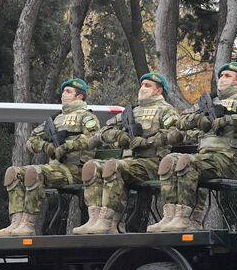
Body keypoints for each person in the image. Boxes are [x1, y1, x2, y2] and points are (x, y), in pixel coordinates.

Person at [150, 61, 237, 232]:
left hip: (230, 160)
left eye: (227, 76)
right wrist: (200, 119)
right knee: (169, 160)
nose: (222, 79)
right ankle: (170, 216)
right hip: (205, 158)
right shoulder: (209, 101)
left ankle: (185, 217)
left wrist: (229, 119)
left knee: (186, 161)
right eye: (220, 75)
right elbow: (181, 121)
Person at [74, 72, 179, 234]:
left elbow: (175, 134)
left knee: (114, 166)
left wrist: (146, 142)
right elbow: (104, 131)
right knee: (92, 166)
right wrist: (118, 135)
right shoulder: (131, 113)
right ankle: (95, 218)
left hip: (153, 164)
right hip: (129, 163)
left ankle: (111, 222)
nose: (142, 88)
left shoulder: (166, 111)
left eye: (148, 85)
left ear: (159, 91)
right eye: (142, 85)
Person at [0, 78, 100, 237]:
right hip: (55, 168)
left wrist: (66, 147)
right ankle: (16, 222)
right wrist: (47, 147)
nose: (63, 94)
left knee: (33, 172)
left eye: (68, 91)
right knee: (13, 173)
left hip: (76, 170)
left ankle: (28, 224)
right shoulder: (56, 119)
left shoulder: (87, 117)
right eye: (64, 91)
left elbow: (93, 138)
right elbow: (31, 141)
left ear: (80, 96)